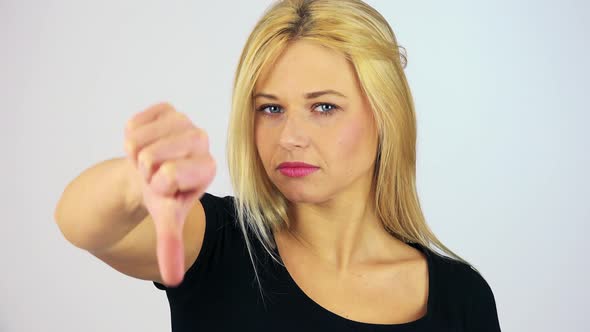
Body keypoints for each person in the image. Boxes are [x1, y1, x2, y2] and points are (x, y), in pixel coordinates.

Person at [54, 0, 501, 330]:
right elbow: (80, 223)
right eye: (270, 109)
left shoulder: (461, 299)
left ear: (385, 114)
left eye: (324, 107)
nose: (289, 137)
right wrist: (139, 182)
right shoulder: (216, 243)